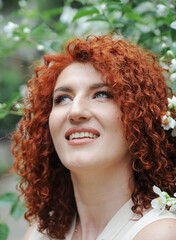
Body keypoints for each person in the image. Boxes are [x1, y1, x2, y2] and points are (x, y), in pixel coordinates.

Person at [11, 35, 176, 240]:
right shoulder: (40, 233)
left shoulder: (160, 233)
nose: (75, 111)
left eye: (101, 94)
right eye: (63, 98)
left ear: (140, 117)